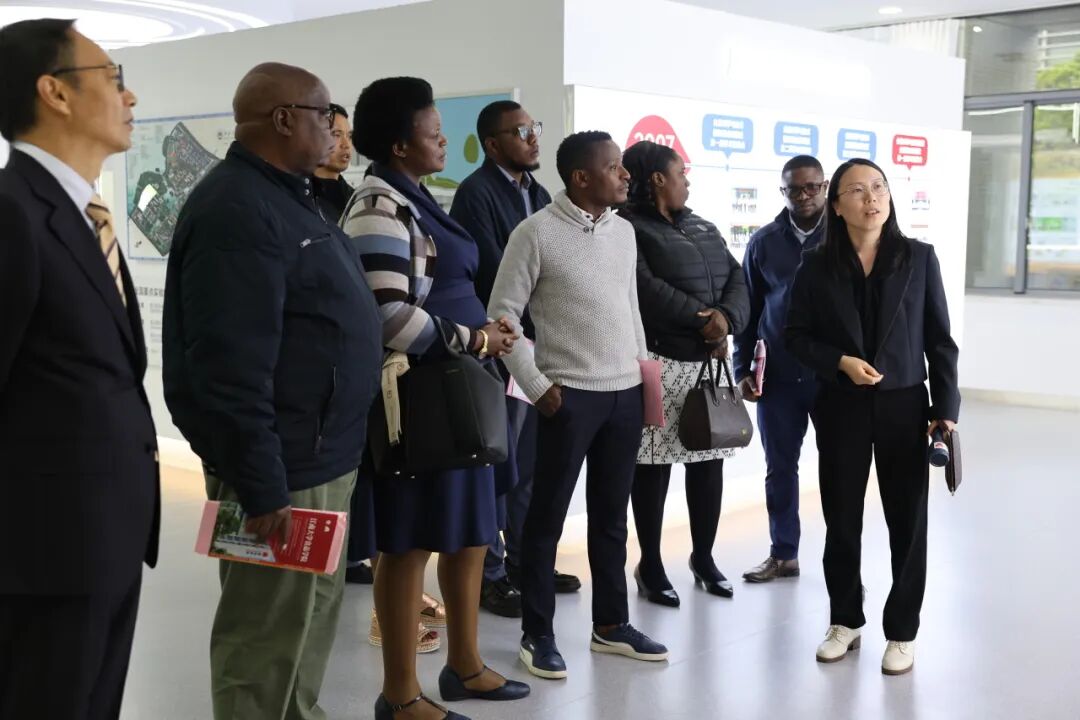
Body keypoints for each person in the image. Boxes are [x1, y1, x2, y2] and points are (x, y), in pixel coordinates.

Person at [162, 63, 384, 719]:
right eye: (325, 115)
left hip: (321, 457)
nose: (335, 130)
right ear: (284, 119)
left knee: (309, 618)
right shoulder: (237, 208)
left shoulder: (290, 195)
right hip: (282, 471)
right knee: (264, 636)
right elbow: (229, 366)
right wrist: (261, 484)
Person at [341, 76, 529, 720]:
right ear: (400, 144)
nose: (445, 139)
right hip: (421, 400)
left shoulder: (416, 196)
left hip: (459, 393)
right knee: (407, 544)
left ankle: (464, 666)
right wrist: (474, 337)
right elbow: (387, 316)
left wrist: (486, 334)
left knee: (470, 534)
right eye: (433, 130)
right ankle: (399, 694)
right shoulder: (376, 206)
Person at [0, 19, 158, 720]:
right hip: (45, 553)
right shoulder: (13, 214)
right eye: (114, 78)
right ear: (55, 93)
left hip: (105, 536)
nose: (130, 96)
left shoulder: (82, 212)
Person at [489, 130, 668, 681]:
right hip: (566, 398)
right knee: (544, 521)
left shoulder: (624, 231)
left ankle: (610, 625)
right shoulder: (535, 233)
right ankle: (537, 634)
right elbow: (502, 318)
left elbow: (631, 309)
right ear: (580, 177)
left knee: (611, 518)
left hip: (624, 395)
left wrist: (644, 376)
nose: (626, 174)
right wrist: (536, 385)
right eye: (614, 167)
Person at [784, 158, 959, 677]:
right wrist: (839, 361)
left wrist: (945, 411)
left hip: (905, 404)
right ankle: (845, 620)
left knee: (908, 521)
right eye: (858, 190)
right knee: (841, 518)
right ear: (837, 205)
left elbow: (940, 341)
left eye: (878, 187)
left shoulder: (918, 258)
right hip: (841, 405)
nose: (872, 198)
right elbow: (795, 336)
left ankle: (902, 631)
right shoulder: (816, 265)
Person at [449, 100, 580, 620]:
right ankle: (491, 576)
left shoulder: (539, 194)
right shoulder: (476, 193)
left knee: (529, 467)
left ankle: (528, 564)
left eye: (534, 128)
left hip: (538, 349)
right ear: (492, 144)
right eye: (521, 131)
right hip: (500, 347)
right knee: (497, 465)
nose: (533, 137)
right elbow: (492, 270)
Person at [620, 141, 750, 607]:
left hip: (707, 364)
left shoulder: (702, 225)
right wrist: (704, 319)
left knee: (708, 463)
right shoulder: (626, 227)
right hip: (660, 361)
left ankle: (704, 558)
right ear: (658, 178)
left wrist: (726, 319)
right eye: (681, 172)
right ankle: (650, 565)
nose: (687, 181)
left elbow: (737, 278)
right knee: (652, 468)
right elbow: (645, 289)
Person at [733, 155, 828, 584]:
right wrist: (742, 368)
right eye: (794, 189)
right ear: (783, 192)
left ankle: (842, 565)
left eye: (812, 187)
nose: (804, 196)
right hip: (778, 379)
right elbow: (748, 314)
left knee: (839, 471)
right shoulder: (764, 242)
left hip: (832, 379)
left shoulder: (846, 236)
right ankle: (783, 553)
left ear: (825, 187)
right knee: (779, 469)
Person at [313, 102, 356, 223]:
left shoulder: (355, 198)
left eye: (349, 136)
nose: (346, 144)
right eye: (336, 135)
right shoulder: (297, 195)